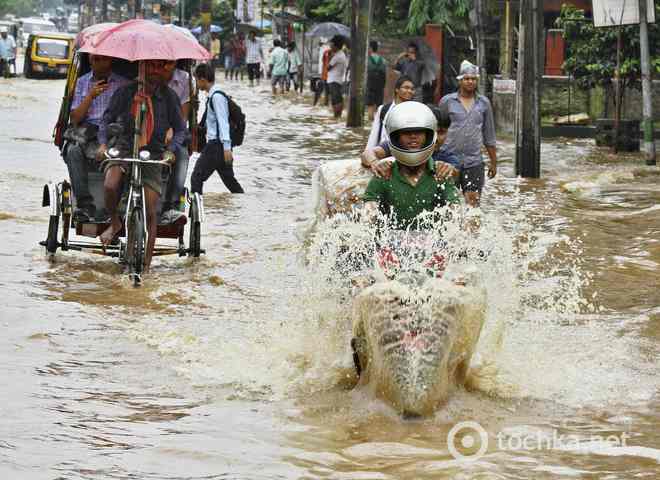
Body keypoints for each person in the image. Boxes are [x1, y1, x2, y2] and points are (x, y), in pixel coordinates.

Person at [96, 59, 186, 271]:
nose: (154, 71)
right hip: (124, 147)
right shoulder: (125, 92)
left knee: (150, 210)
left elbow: (181, 129)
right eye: (150, 66)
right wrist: (102, 143)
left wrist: (171, 150)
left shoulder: (169, 97)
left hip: (152, 153)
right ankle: (116, 222)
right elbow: (106, 118)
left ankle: (145, 265)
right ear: (141, 68)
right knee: (110, 185)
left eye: (158, 67)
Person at [362, 102, 460, 231]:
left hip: (431, 243)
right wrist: (376, 164)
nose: (413, 136)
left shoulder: (442, 173)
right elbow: (369, 215)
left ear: (429, 135)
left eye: (418, 132)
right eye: (407, 132)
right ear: (396, 137)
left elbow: (455, 212)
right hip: (390, 244)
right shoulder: (384, 173)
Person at [65, 54, 128, 221]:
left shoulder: (123, 85)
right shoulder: (82, 82)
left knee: (123, 153)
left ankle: (117, 207)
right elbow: (75, 119)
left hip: (116, 132)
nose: (100, 64)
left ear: (111, 60)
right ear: (90, 61)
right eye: (96, 60)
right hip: (88, 132)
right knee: (72, 151)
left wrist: (105, 143)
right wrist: (90, 96)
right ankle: (85, 205)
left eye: (104, 59)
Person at [438, 60, 497, 207]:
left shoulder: (484, 103)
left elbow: (489, 135)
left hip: (474, 161)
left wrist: (493, 163)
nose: (470, 82)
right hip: (448, 159)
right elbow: (437, 130)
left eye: (473, 79)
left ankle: (472, 230)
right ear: (460, 80)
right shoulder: (447, 102)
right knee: (446, 204)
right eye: (466, 78)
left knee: (473, 202)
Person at [362, 102, 459, 185]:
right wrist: (376, 164)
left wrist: (448, 170)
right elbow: (367, 154)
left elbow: (455, 174)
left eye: (441, 132)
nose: (436, 137)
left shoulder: (448, 158)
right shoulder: (399, 145)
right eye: (432, 132)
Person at [191, 63, 244, 195]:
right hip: (220, 147)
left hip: (217, 146)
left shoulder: (217, 97)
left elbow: (223, 123)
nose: (196, 84)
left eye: (196, 80)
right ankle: (242, 207)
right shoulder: (214, 96)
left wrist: (227, 147)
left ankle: (195, 212)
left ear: (202, 80)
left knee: (196, 177)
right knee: (230, 181)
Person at [160, 60, 192, 224]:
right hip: (148, 131)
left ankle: (170, 206)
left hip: (175, 130)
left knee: (181, 154)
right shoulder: (147, 76)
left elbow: (183, 118)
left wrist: (172, 128)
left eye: (169, 63)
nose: (165, 67)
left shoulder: (183, 79)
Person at [365, 75, 416, 149]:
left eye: (412, 89)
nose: (410, 91)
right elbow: (374, 136)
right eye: (406, 88)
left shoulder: (415, 111)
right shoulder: (383, 109)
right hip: (383, 153)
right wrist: (368, 153)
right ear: (397, 89)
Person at [327, 35, 348, 119]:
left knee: (336, 100)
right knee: (336, 99)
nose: (330, 46)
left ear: (335, 45)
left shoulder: (337, 56)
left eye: (331, 45)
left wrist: (330, 56)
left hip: (334, 80)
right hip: (336, 80)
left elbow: (328, 67)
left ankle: (337, 117)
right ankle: (337, 117)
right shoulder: (340, 54)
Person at [365, 40, 387, 121]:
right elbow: (384, 75)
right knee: (379, 108)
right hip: (380, 87)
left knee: (370, 106)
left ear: (370, 48)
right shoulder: (383, 60)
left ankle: (370, 123)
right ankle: (377, 124)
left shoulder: (367, 60)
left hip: (370, 86)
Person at [313, 39, 331, 106]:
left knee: (322, 90)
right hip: (325, 74)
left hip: (325, 74)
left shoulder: (326, 50)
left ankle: (316, 104)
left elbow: (324, 62)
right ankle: (323, 104)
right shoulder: (325, 50)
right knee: (325, 90)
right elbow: (323, 62)